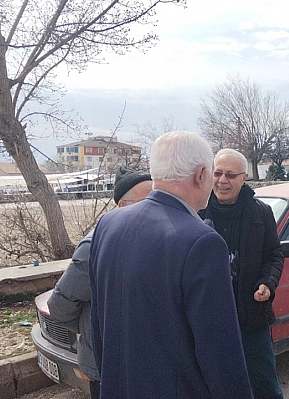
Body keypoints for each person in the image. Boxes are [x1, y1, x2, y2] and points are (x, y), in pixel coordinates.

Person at [89, 132, 253, 399]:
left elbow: (98, 322)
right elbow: (220, 352)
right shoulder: (202, 242)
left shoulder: (108, 224)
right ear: (201, 175)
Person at [47, 167, 152, 398]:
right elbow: (60, 305)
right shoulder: (94, 245)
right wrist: (91, 332)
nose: (155, 209)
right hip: (105, 362)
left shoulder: (154, 240)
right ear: (123, 206)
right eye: (147, 202)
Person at [199, 148, 284, 399]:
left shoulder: (260, 212)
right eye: (218, 173)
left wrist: (267, 283)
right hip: (209, 321)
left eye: (231, 175)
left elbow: (274, 255)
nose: (223, 181)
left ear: (244, 177)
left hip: (251, 320)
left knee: (264, 386)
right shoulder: (197, 212)